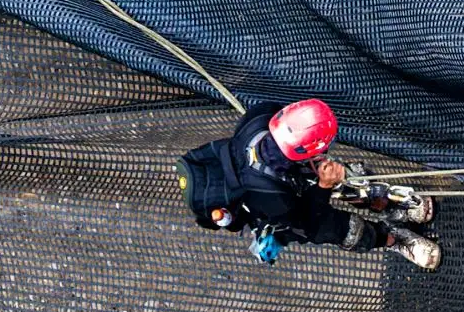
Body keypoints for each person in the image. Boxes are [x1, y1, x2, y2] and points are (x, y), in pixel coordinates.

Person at [177, 99, 440, 270]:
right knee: (344, 229)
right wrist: (324, 186)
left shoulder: (260, 117)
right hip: (289, 215)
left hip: (297, 171)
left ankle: (390, 204)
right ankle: (394, 239)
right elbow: (309, 219)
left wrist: (326, 176)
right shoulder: (270, 195)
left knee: (349, 178)